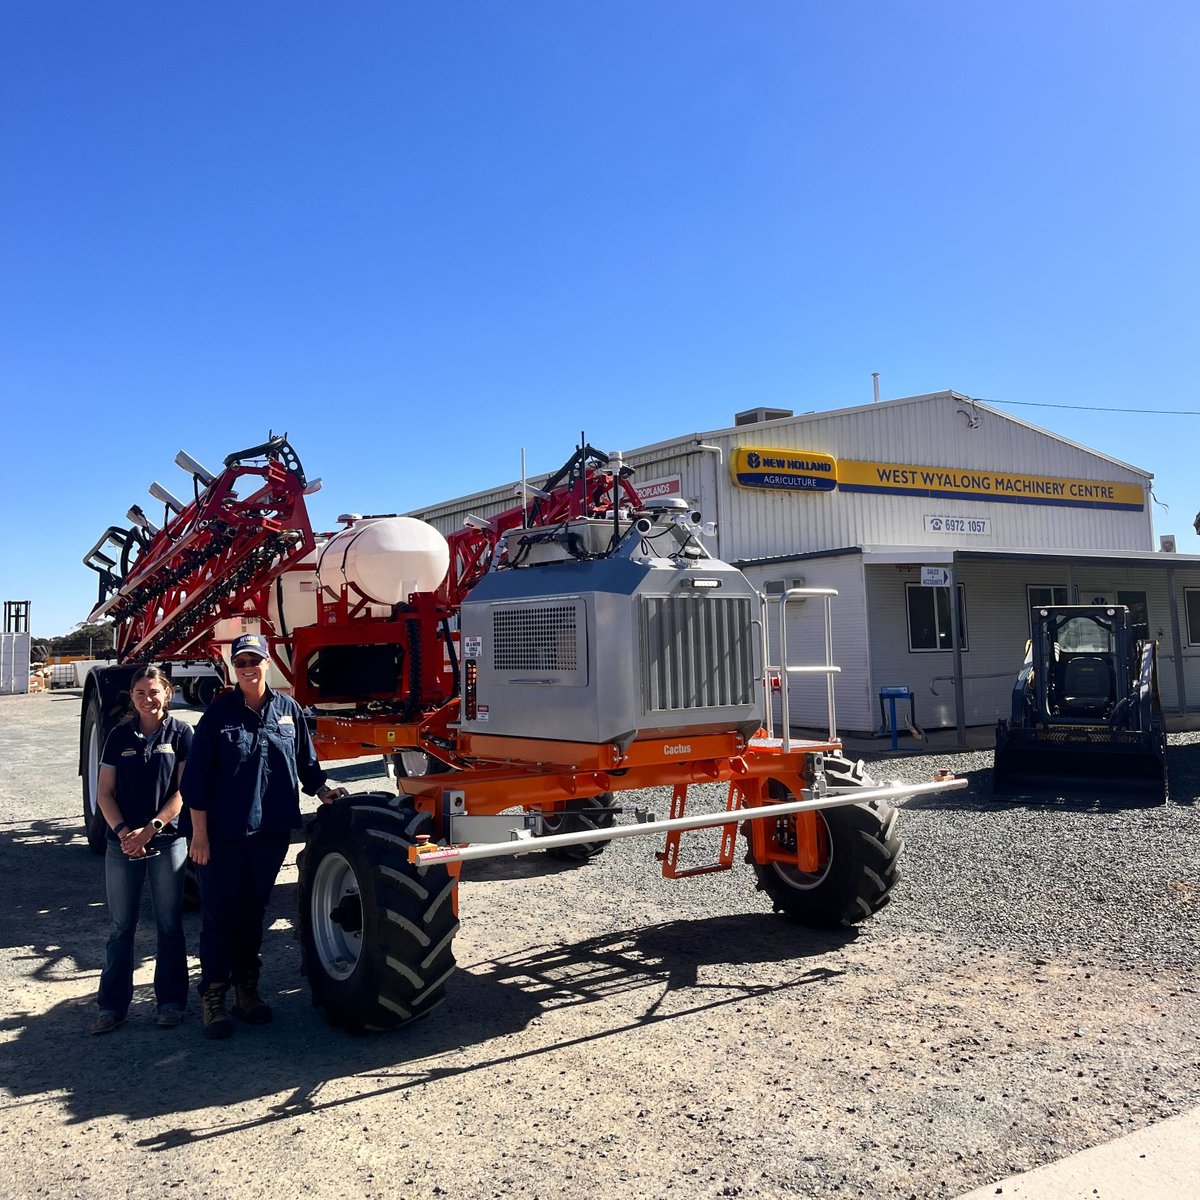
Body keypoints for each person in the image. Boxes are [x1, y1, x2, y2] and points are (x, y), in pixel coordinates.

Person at [181, 633, 347, 1039]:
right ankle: (213, 996)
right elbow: (196, 783)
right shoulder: (218, 714)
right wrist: (198, 837)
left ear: (267, 663)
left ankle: (246, 991)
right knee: (219, 915)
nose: (248, 667)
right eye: (241, 662)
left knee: (253, 913)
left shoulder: (288, 710)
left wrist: (323, 791)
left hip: (270, 833)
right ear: (232, 667)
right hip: (222, 836)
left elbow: (306, 765)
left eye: (254, 659)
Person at [92, 666, 193, 1034]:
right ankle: (111, 1007)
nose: (147, 699)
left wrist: (151, 829)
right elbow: (104, 792)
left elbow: (183, 792)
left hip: (166, 843)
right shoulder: (119, 736)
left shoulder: (182, 733)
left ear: (167, 693)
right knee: (121, 927)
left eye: (154, 691)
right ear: (131, 697)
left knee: (169, 925)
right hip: (123, 846)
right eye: (139, 693)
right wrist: (122, 833)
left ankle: (170, 1002)